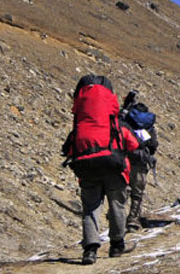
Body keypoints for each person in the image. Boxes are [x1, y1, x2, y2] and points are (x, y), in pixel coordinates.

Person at [61, 75, 140, 265]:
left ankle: (90, 250)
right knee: (117, 206)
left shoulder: (80, 126)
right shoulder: (114, 124)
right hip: (114, 168)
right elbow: (133, 144)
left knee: (91, 208)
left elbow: (68, 149)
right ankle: (116, 245)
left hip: (87, 170)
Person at [120, 98, 158, 233]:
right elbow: (153, 145)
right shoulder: (148, 126)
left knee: (121, 189)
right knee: (137, 193)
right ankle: (133, 220)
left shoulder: (125, 122)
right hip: (140, 161)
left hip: (124, 158)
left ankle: (117, 217)